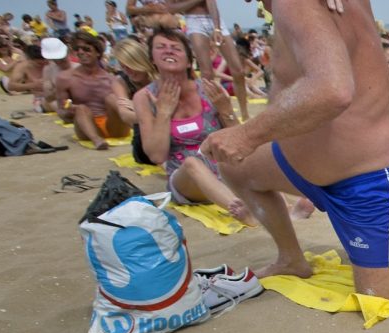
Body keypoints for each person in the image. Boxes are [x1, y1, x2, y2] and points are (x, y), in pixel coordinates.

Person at [202, 0, 389, 300]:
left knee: (382, 296)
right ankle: (291, 258)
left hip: (365, 177)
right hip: (300, 164)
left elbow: (331, 90)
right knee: (235, 166)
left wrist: (246, 135)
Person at [133, 27, 253, 224]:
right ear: (152, 59)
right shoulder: (144, 98)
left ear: (189, 60)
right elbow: (156, 156)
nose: (169, 51)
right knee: (191, 164)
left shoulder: (207, 89)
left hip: (224, 169)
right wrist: (163, 113)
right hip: (187, 180)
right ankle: (239, 209)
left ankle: (292, 204)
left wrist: (225, 109)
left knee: (259, 147)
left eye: (176, 48)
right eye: (161, 47)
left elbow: (236, 137)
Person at [56, 32, 131, 150]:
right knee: (81, 108)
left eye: (86, 49)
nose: (81, 52)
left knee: (111, 98)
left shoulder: (111, 79)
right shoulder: (65, 78)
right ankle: (96, 140)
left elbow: (125, 105)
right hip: (86, 127)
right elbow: (62, 112)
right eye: (77, 49)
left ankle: (140, 126)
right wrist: (69, 111)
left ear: (97, 52)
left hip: (113, 125)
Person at [181, 0, 251, 121]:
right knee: (207, 74)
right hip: (193, 19)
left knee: (238, 71)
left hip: (213, 18)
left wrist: (217, 28)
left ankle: (244, 113)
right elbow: (170, 7)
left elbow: (211, 2)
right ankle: (214, 114)